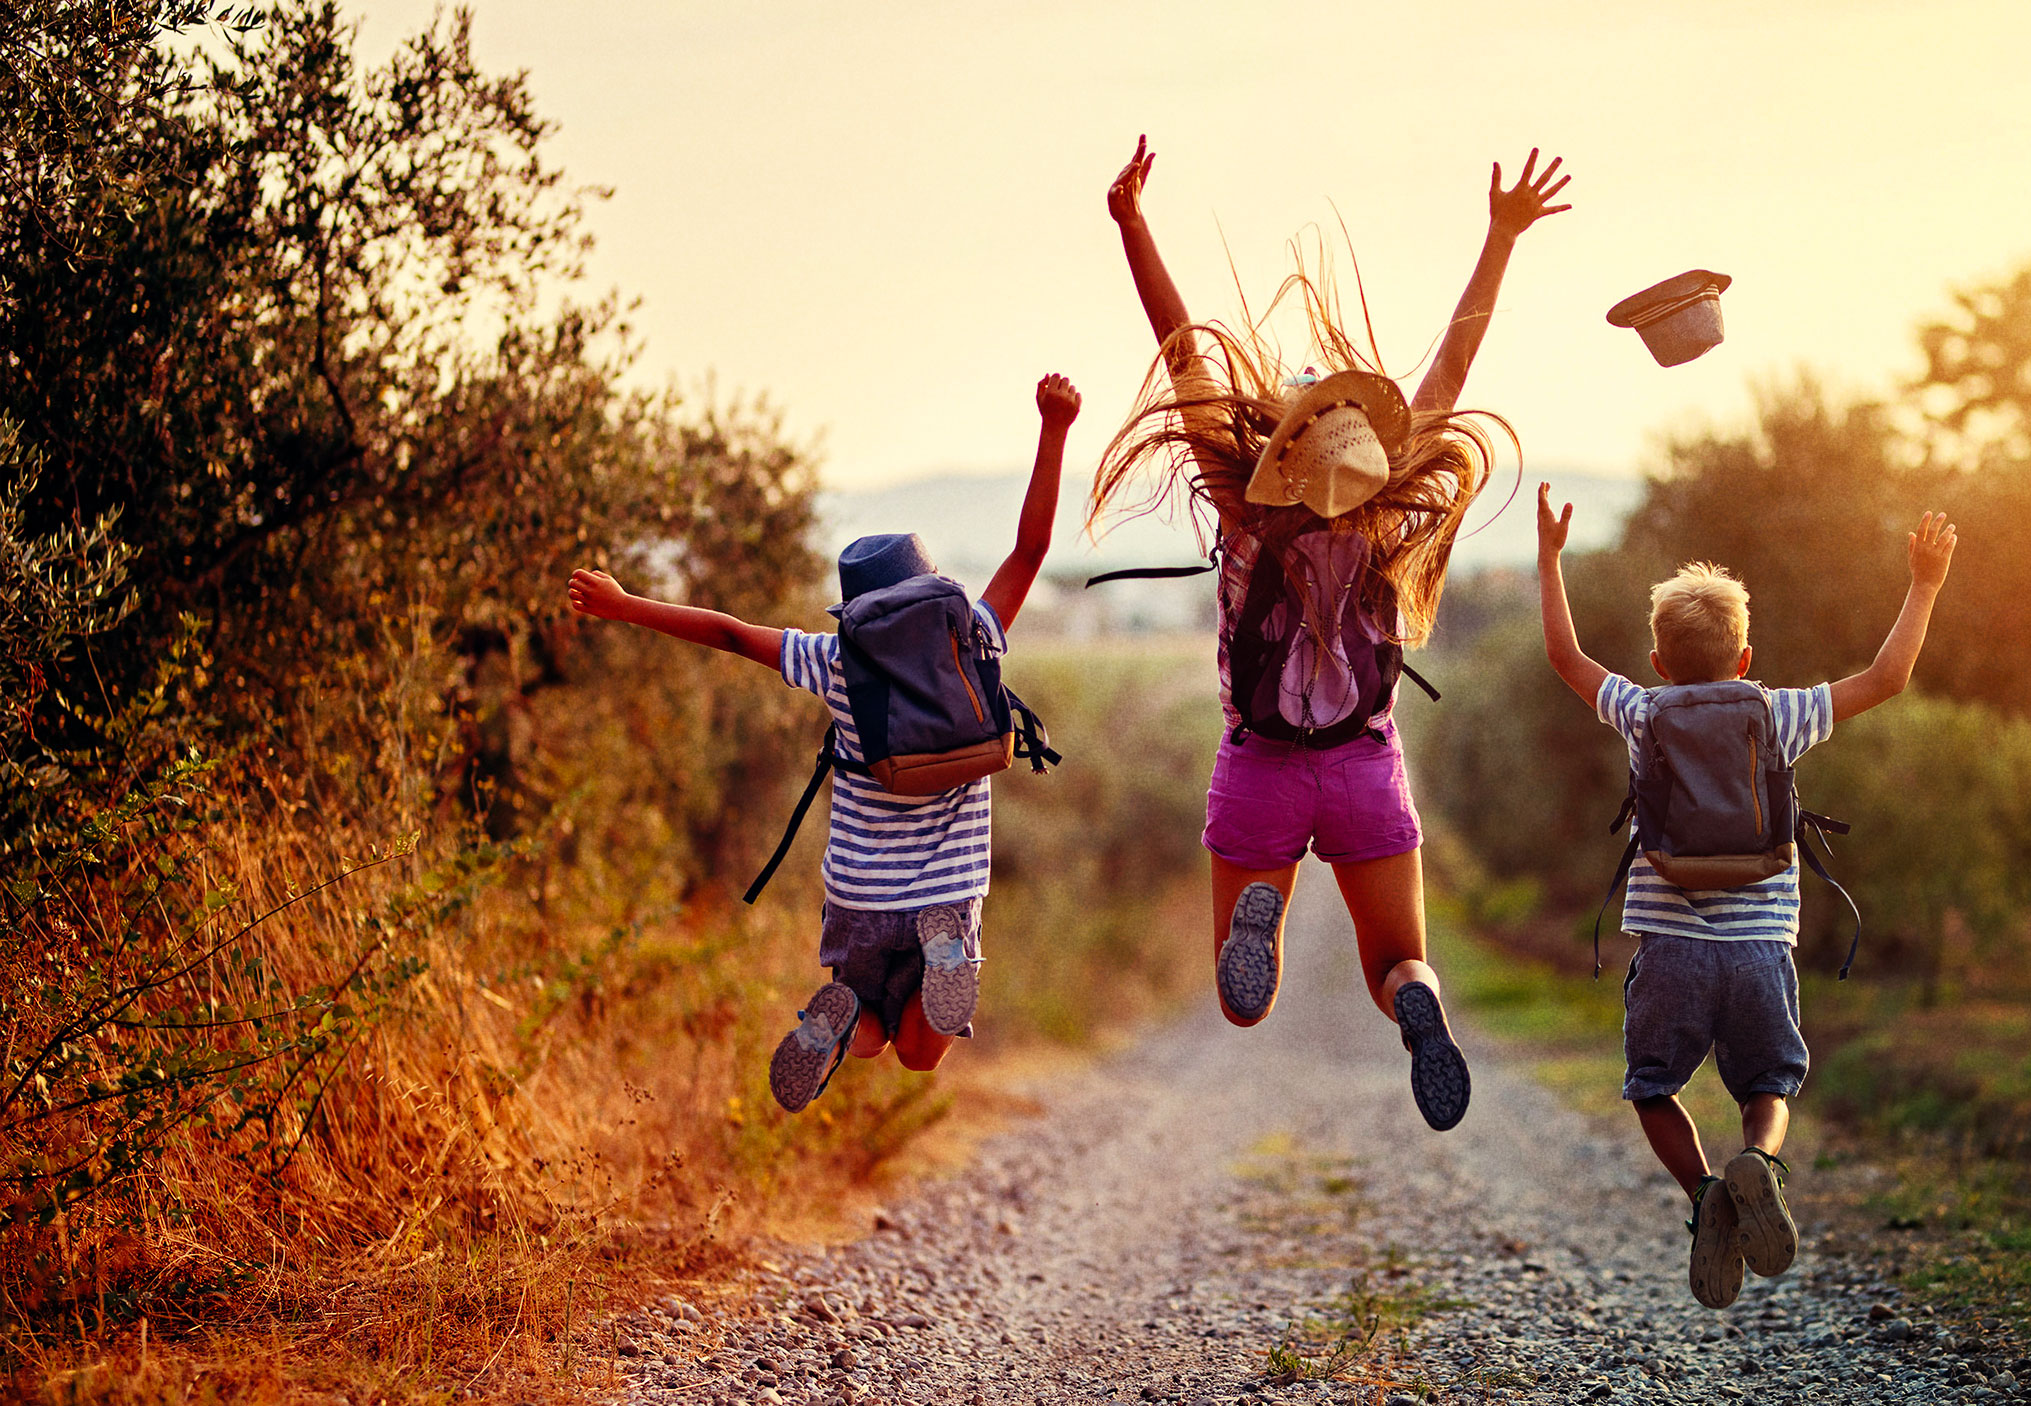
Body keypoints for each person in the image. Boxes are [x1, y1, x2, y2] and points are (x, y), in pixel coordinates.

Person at [1090, 135, 1571, 1131]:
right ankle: (1419, 1004)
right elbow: (1454, 356)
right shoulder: (1389, 516)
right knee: (1394, 958)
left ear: (1273, 444)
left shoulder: (1245, 513)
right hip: (1363, 765)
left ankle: (1261, 925)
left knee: (1238, 998)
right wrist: (1501, 236)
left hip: (1260, 761)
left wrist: (1134, 225)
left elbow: (1182, 346)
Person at [565, 374, 1082, 1111]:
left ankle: (836, 1027)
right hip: (949, 889)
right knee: (922, 1056)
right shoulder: (973, 640)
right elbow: (1030, 551)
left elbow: (726, 631)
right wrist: (1054, 428)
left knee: (868, 1030)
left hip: (859, 894)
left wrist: (624, 606)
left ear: (855, 613)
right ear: (930, 592)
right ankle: (942, 951)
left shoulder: (834, 662)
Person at [1533, 481, 1957, 1307]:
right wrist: (1926, 582)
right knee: (1770, 1084)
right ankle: (1756, 1161)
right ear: (1746, 658)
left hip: (1670, 951)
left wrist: (1551, 560)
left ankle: (1703, 1196)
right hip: (1761, 949)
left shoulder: (1642, 711)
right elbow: (1889, 676)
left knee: (1653, 1087)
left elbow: (1564, 658)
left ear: (1658, 662)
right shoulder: (1781, 713)